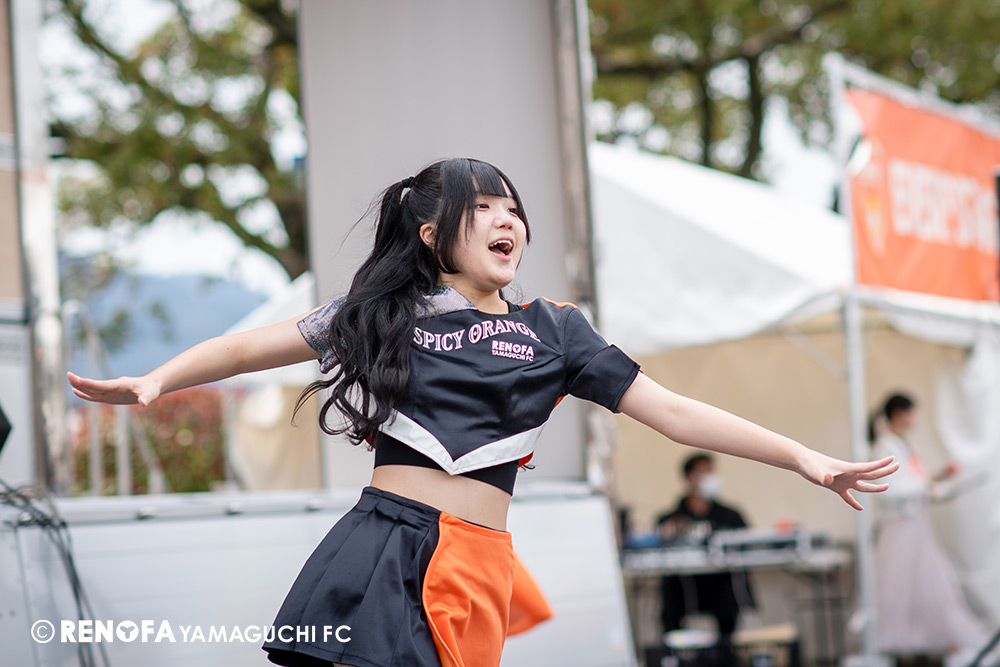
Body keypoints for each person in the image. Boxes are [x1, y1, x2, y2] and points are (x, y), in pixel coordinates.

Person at [68, 158, 898, 667]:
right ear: (433, 235)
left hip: (477, 560)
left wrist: (805, 457)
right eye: (483, 207)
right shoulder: (385, 312)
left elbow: (674, 411)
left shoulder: (557, 330)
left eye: (513, 207)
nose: (508, 220)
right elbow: (251, 346)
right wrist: (158, 379)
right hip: (388, 542)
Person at [868, 392, 981, 662]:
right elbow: (888, 490)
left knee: (930, 584)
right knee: (901, 585)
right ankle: (892, 650)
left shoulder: (904, 443)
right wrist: (925, 488)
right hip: (900, 528)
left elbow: (914, 479)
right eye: (912, 412)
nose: (915, 418)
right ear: (899, 414)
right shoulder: (885, 446)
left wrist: (937, 479)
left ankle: (949, 647)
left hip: (916, 525)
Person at [656, 454, 754, 652]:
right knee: (669, 602)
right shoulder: (670, 518)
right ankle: (678, 656)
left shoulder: (730, 515)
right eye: (706, 472)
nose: (712, 478)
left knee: (728, 600)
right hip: (684, 587)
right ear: (690, 477)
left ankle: (726, 655)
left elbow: (748, 545)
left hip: (719, 586)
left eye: (713, 472)